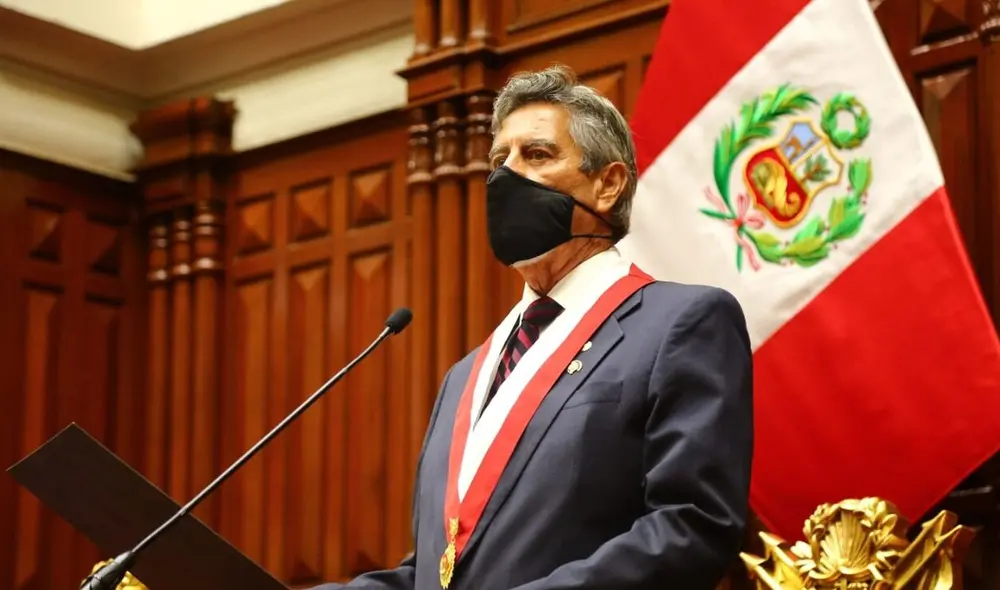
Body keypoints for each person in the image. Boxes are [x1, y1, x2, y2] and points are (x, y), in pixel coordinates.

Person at [315, 65, 753, 590]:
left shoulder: (678, 324)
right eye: (499, 160)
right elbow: (436, 571)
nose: (505, 176)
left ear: (608, 184)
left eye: (537, 155)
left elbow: (692, 525)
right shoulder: (465, 375)